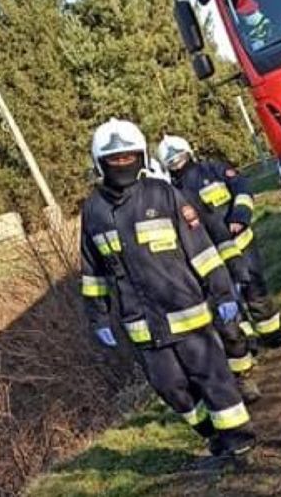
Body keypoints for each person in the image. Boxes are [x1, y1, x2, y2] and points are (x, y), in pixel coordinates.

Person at [80, 118, 255, 457]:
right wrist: (98, 318)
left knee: (212, 377)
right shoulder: (93, 211)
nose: (122, 165)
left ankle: (239, 435)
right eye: (113, 160)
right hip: (142, 324)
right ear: (99, 164)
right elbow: (92, 271)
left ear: (141, 158)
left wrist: (222, 293)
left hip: (186, 313)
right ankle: (210, 432)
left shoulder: (164, 195)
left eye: (128, 157)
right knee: (171, 388)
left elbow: (201, 250)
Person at [157, 136, 281, 351]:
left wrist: (240, 216)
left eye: (179, 157)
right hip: (210, 256)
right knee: (228, 299)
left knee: (254, 288)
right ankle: (248, 343)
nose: (177, 163)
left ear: (189, 153)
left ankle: (273, 335)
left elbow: (242, 188)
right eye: (171, 162)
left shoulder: (213, 169)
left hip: (240, 242)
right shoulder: (173, 193)